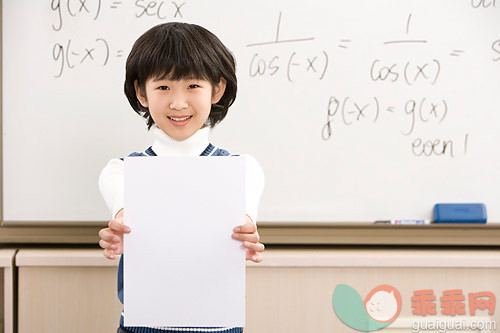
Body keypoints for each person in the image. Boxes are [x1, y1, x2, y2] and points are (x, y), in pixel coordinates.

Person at [97, 22, 265, 333]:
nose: (178, 102)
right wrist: (121, 230)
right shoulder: (120, 171)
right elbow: (125, 211)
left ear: (218, 89)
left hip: (220, 327)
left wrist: (247, 234)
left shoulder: (243, 169)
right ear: (140, 92)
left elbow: (244, 221)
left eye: (193, 86)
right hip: (141, 327)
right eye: (163, 87)